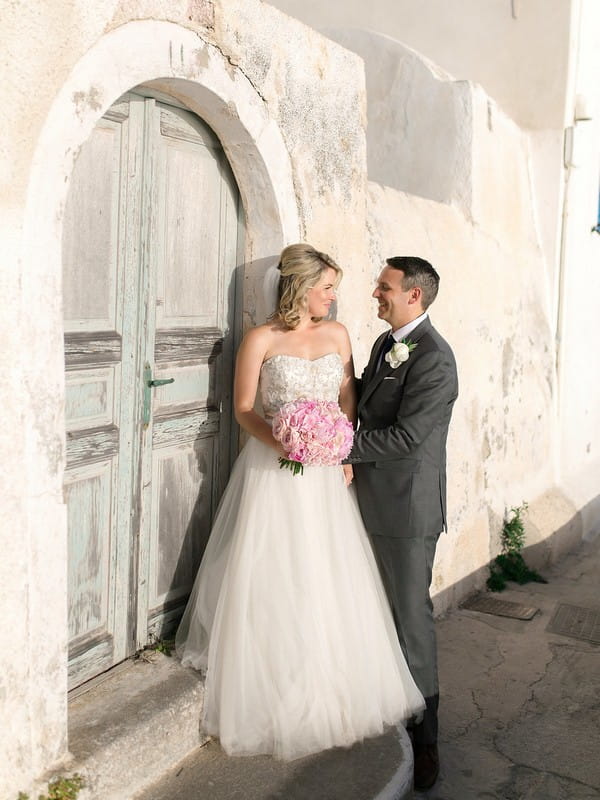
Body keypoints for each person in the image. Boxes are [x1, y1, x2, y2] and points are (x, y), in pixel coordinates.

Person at [176, 244, 424, 761]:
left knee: (323, 571)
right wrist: (288, 442)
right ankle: (271, 677)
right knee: (273, 570)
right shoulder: (260, 340)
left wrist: (337, 447)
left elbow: (346, 402)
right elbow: (244, 409)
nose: (335, 298)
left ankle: (326, 677)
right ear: (300, 288)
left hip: (326, 474)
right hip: (275, 470)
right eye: (327, 287)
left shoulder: (337, 335)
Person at [345, 256, 458, 791]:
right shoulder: (384, 344)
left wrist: (334, 444)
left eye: (384, 287)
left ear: (413, 295)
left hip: (406, 508)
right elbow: (369, 399)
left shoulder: (435, 359)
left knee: (411, 621)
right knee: (373, 613)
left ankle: (427, 738)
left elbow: (407, 438)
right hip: (365, 498)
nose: (375, 293)